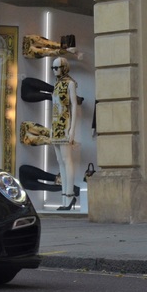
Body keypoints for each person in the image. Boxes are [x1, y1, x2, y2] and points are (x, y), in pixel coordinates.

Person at [50, 57, 79, 210]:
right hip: (55, 127)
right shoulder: (56, 85)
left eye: (57, 67)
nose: (55, 71)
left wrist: (72, 130)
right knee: (60, 162)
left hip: (65, 125)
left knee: (67, 160)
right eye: (53, 68)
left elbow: (74, 106)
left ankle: (70, 196)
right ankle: (64, 198)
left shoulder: (70, 84)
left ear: (64, 68)